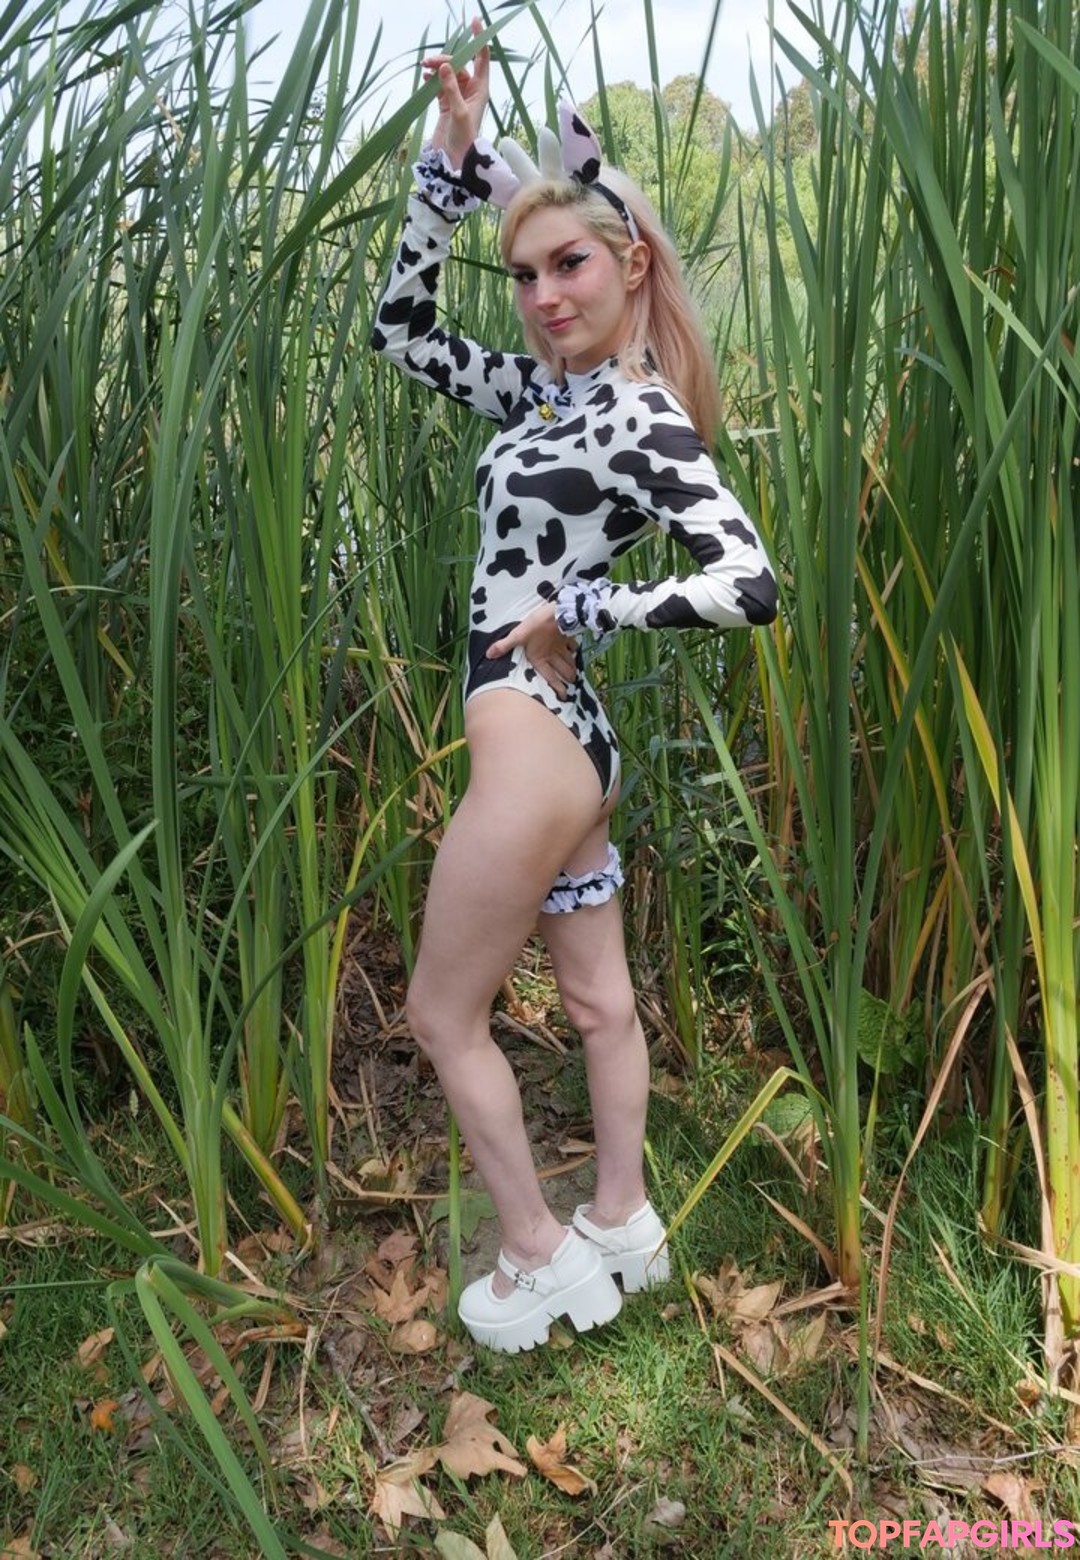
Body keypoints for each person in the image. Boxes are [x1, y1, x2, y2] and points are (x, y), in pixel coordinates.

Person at [370, 21, 777, 1354]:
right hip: (573, 746)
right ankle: (622, 1220)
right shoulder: (548, 399)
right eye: (527, 273)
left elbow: (749, 581)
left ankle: (539, 1257)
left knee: (442, 1012)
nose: (543, 294)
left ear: (631, 261)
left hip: (535, 737)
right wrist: (449, 164)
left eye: (571, 264)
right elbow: (400, 328)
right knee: (599, 1002)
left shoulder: (637, 413)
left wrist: (593, 605)